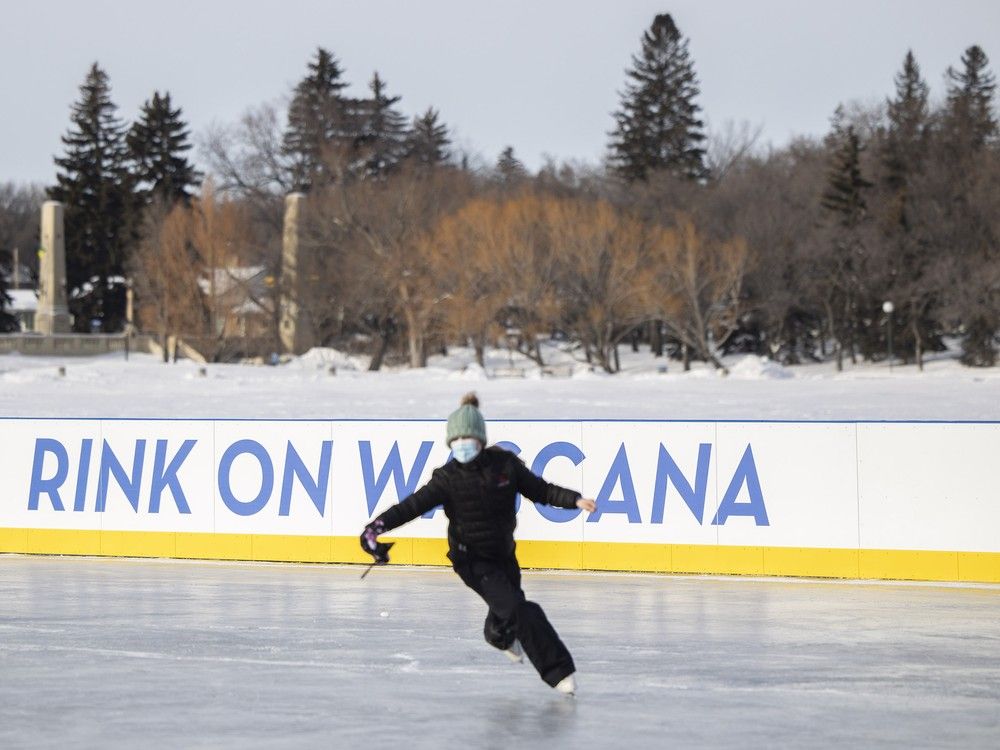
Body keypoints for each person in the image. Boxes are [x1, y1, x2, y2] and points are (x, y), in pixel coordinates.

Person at [360, 392, 597, 696]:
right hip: (471, 560)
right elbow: (411, 506)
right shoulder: (447, 478)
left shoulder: (505, 466)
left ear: (480, 440)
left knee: (507, 610)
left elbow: (541, 490)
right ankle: (558, 672)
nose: (462, 444)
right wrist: (375, 528)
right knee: (521, 609)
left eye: (467, 438)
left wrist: (574, 499)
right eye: (455, 440)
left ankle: (498, 636)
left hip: (504, 555)